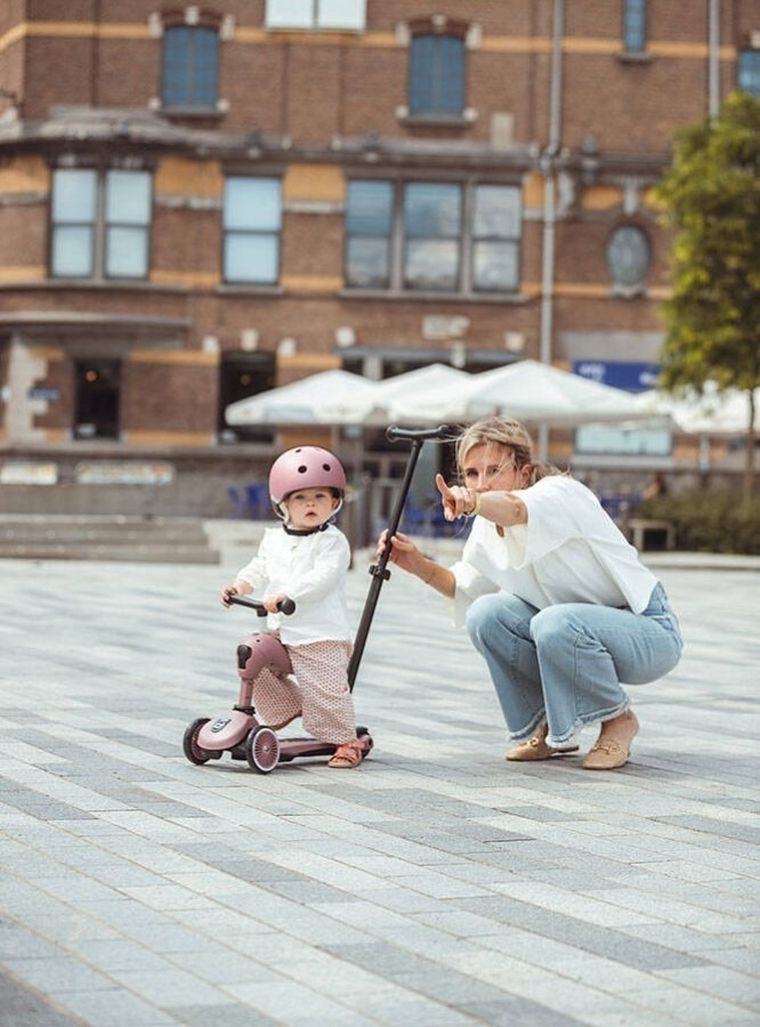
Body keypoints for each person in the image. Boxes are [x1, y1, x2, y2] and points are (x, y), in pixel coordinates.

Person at [379, 417, 683, 770]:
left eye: (494, 469)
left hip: (647, 630)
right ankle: (545, 722)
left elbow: (516, 509)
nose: (481, 482)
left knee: (553, 621)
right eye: (472, 474)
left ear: (524, 473)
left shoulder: (559, 493)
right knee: (486, 614)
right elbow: (463, 587)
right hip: (570, 632)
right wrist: (415, 562)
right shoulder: (485, 528)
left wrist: (475, 501)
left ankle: (618, 720)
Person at [221, 446, 368, 769]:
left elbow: (323, 578)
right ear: (283, 504)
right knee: (251, 657)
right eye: (300, 498)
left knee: (328, 691)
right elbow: (259, 567)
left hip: (320, 635)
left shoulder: (332, 542)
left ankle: (347, 741)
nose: (311, 504)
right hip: (281, 631)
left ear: (335, 502)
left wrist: (289, 594)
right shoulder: (273, 539)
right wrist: (239, 586)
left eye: (320, 496)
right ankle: (297, 706)